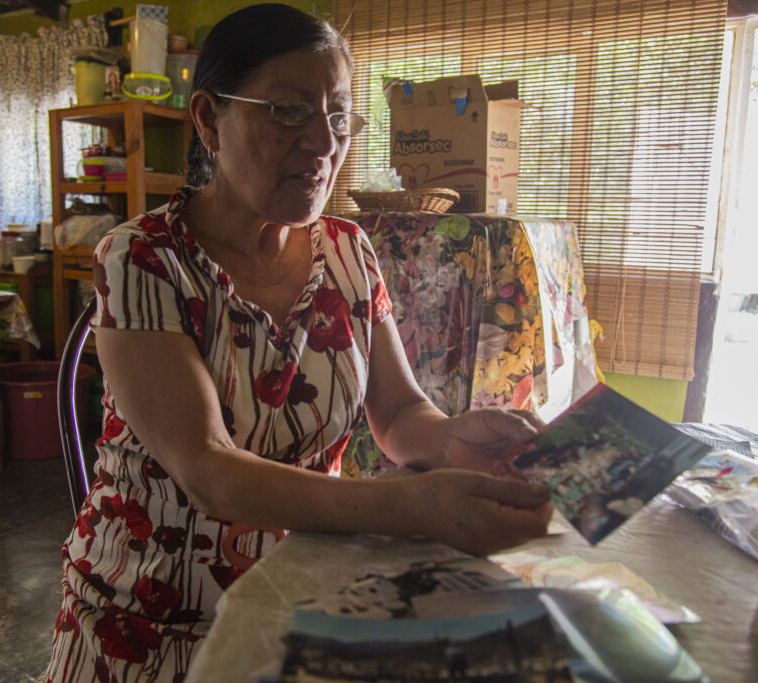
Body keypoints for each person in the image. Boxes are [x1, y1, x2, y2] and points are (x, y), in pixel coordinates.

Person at [46, 4, 552, 680]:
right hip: (153, 620)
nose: (323, 142)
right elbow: (210, 471)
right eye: (288, 112)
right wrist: (414, 507)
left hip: (307, 594)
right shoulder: (143, 259)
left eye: (339, 116)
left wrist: (457, 438)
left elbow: (399, 416)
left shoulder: (349, 252)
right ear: (207, 119)